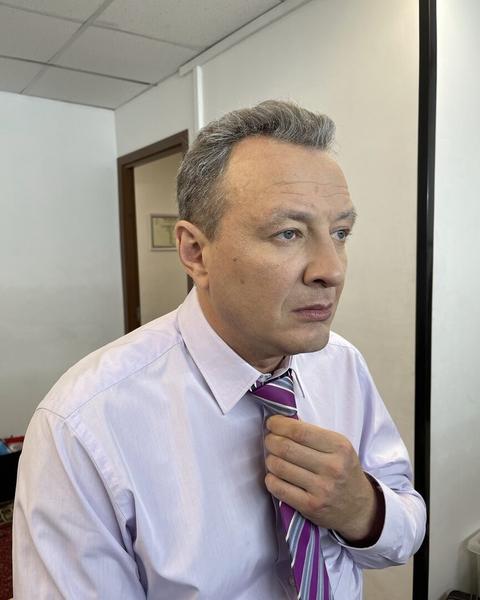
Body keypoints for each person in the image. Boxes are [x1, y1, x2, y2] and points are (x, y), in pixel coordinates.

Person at [13, 100, 426, 599]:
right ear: (195, 252)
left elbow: (406, 525)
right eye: (289, 233)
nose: (331, 270)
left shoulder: (341, 364)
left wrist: (362, 510)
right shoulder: (82, 425)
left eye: (340, 233)